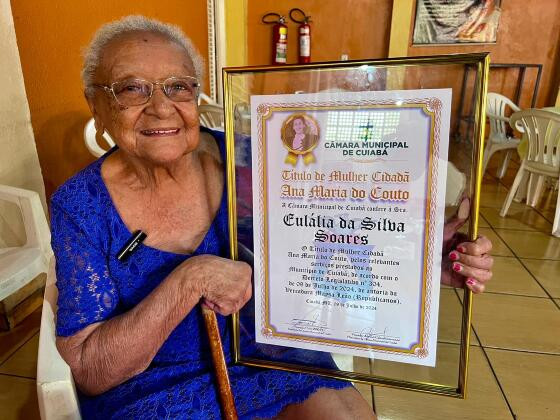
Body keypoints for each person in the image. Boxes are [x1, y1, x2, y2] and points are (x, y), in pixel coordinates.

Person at [50, 15, 493, 420]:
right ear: (98, 105)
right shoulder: (80, 204)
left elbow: (325, 243)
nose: (161, 107)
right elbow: (92, 369)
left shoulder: (254, 155)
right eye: (132, 88)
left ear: (196, 96)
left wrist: (417, 265)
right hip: (154, 384)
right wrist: (191, 279)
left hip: (271, 352)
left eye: (178, 86)